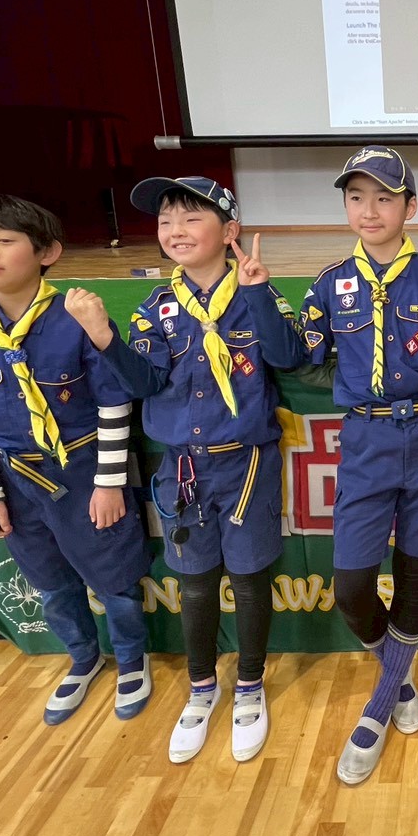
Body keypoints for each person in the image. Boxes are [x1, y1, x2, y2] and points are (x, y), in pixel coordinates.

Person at [66, 176, 304, 764]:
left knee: (248, 580)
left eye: (191, 217)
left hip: (246, 463)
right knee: (195, 582)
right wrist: (104, 337)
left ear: (229, 231)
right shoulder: (157, 308)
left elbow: (289, 357)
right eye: (166, 220)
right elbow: (145, 382)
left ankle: (249, 684)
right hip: (184, 469)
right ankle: (202, 687)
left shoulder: (258, 291)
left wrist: (259, 295)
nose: (175, 230)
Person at [0, 195, 152, 725]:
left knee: (114, 578)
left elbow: (114, 404)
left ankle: (131, 661)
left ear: (47, 251)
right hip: (14, 479)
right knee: (50, 581)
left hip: (83, 470)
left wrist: (108, 483)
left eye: (5, 240)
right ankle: (82, 658)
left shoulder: (77, 320)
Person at [296, 145, 418, 785]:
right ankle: (397, 677)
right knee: (351, 585)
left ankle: (379, 705)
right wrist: (354, 386)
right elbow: (307, 361)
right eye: (356, 197)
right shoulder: (330, 282)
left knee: (414, 573)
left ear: (410, 207)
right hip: (367, 438)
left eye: (384, 197)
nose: (369, 210)